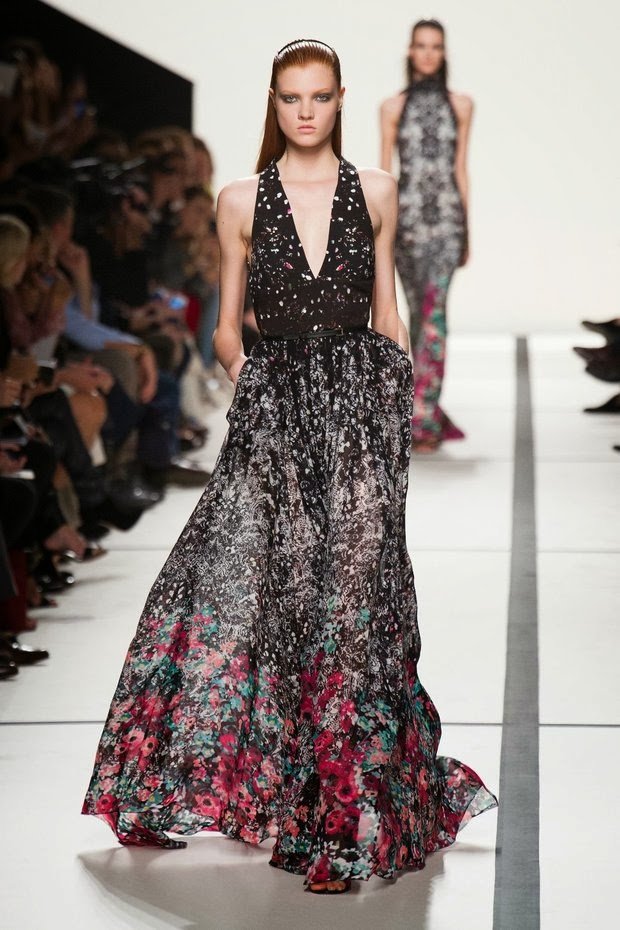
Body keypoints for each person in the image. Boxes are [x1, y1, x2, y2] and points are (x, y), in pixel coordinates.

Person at [82, 39, 497, 894]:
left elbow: (388, 313)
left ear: (339, 100)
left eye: (318, 97)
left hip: (359, 421)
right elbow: (226, 327)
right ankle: (225, 787)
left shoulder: (375, 190)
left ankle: (339, 828)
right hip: (274, 421)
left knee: (354, 613)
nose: (305, 112)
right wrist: (255, 387)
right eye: (290, 98)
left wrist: (394, 411)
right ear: (274, 103)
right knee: (244, 594)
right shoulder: (239, 199)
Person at [381, 19, 473, 453]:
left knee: (435, 319)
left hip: (447, 226)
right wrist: (381, 233)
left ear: (444, 52)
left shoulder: (461, 105)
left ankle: (424, 419)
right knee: (418, 319)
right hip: (408, 227)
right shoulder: (392, 107)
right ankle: (420, 405)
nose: (428, 53)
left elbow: (460, 170)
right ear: (410, 51)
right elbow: (384, 175)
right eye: (421, 45)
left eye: (435, 46)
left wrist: (466, 228)